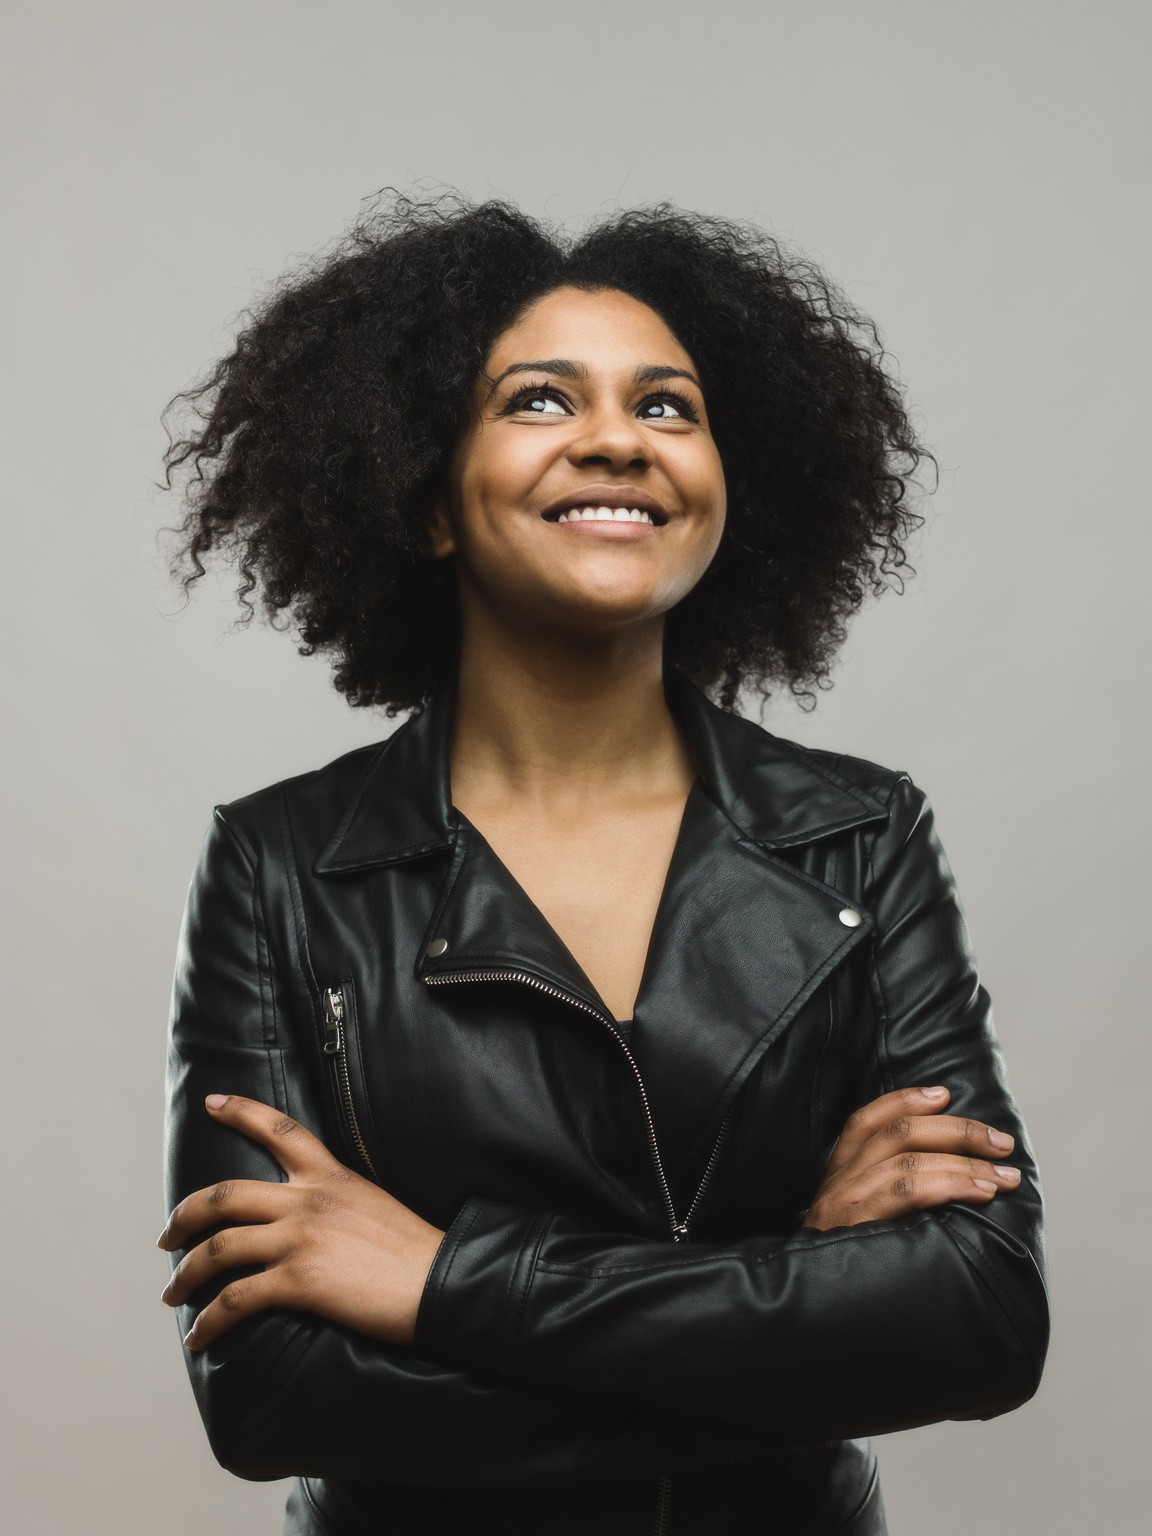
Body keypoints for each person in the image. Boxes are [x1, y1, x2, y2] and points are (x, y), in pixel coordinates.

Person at [158, 195, 1048, 1536]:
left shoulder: (863, 834)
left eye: (668, 406)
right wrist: (799, 1286)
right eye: (537, 400)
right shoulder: (280, 865)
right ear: (429, 497)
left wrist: (444, 1282)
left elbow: (982, 1317)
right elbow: (274, 1394)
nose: (620, 438)